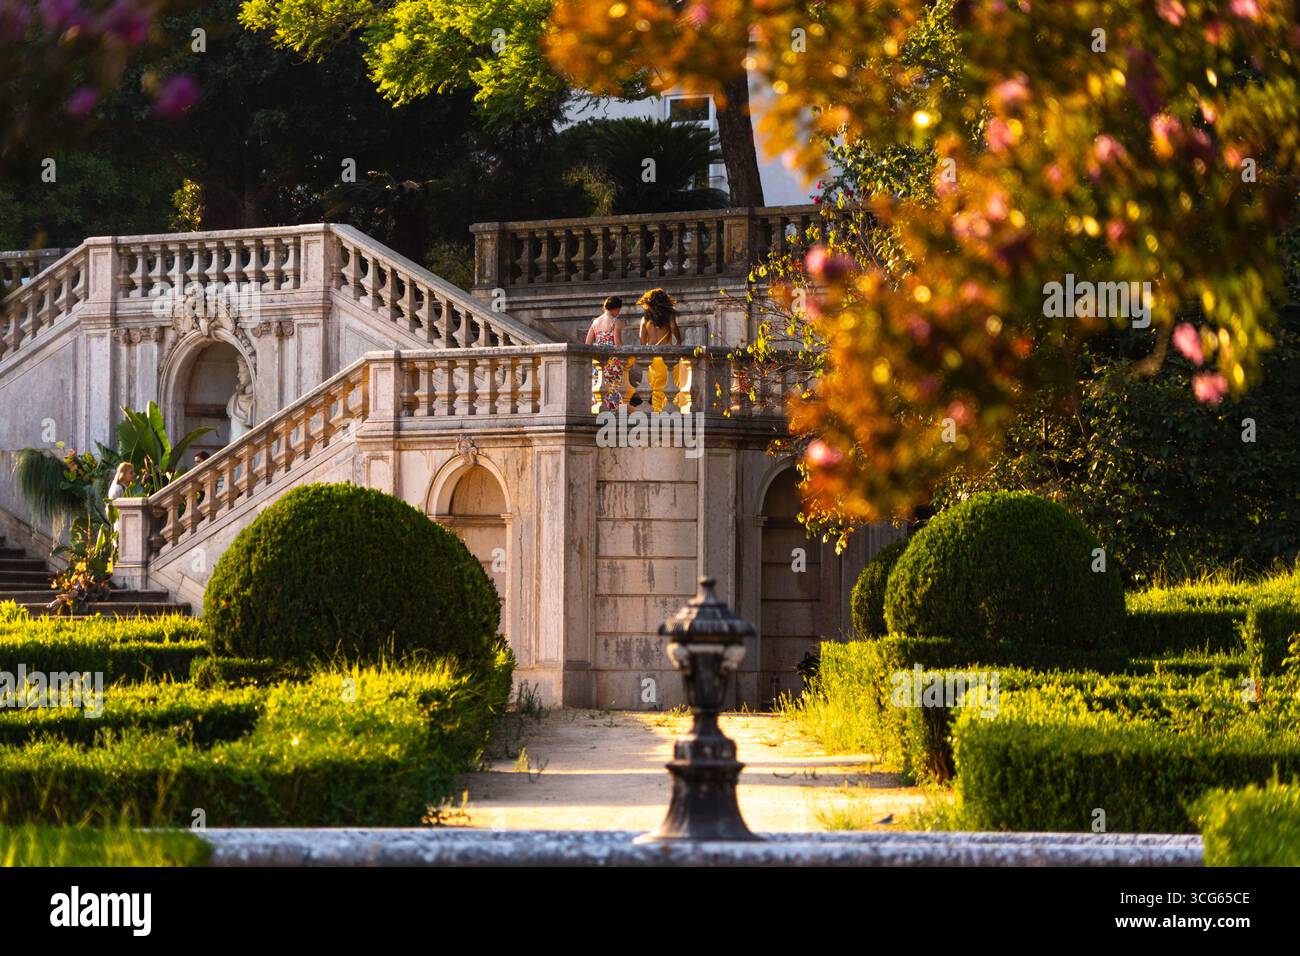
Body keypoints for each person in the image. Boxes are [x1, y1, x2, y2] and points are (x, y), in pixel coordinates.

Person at [586, 295, 626, 410]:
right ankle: (613, 409)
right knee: (613, 387)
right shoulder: (616, 322)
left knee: (599, 385)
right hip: (611, 360)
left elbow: (587, 343)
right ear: (616, 308)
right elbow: (617, 343)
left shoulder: (595, 322)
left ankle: (598, 408)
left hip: (597, 359)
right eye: (619, 310)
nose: (618, 312)